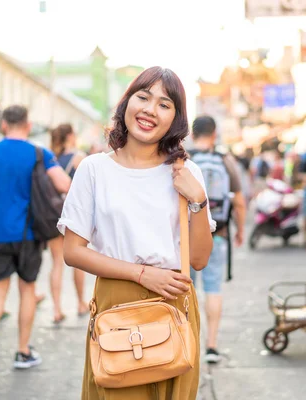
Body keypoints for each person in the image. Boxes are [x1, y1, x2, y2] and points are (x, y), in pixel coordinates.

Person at [59, 66, 214, 399]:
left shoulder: (187, 172)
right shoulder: (94, 169)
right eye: (143, 97)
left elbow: (199, 259)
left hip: (174, 298)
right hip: (117, 300)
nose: (150, 110)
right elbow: (72, 251)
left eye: (164, 104)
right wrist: (142, 275)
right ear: (126, 103)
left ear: (176, 118)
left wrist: (198, 200)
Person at [0, 105, 71, 373]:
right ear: (27, 125)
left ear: (3, 125)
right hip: (29, 234)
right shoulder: (39, 153)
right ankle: (22, 352)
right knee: (27, 291)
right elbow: (65, 185)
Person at [189, 116, 246, 364]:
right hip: (218, 233)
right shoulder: (226, 160)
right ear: (214, 134)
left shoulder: (185, 160)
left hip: (187, 237)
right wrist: (240, 229)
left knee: (185, 290)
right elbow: (240, 201)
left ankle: (187, 344)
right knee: (213, 289)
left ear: (192, 134)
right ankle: (211, 346)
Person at [37, 123, 87, 323]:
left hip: (52, 214)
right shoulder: (78, 158)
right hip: (74, 216)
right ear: (69, 136)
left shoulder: (52, 159)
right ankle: (81, 302)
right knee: (80, 262)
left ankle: (57, 309)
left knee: (57, 262)